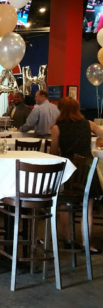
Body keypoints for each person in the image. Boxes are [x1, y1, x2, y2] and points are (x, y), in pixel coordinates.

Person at [50, 97, 103, 253]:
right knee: (88, 207)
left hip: (69, 172)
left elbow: (54, 152)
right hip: (87, 172)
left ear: (60, 110)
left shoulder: (56, 128)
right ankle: (87, 243)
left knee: (65, 205)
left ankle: (68, 239)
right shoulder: (89, 124)